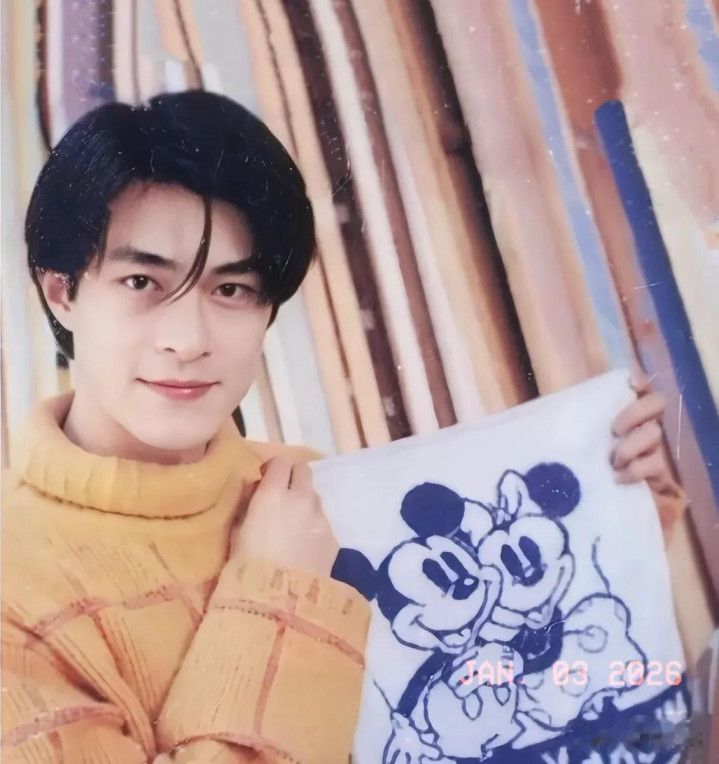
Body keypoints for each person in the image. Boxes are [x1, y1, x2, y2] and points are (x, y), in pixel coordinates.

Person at [1, 90, 685, 763]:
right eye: (141, 283)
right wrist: (274, 595)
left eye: (231, 289)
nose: (188, 339)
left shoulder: (304, 488)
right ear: (62, 290)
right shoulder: (13, 587)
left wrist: (614, 513)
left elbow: (493, 704)